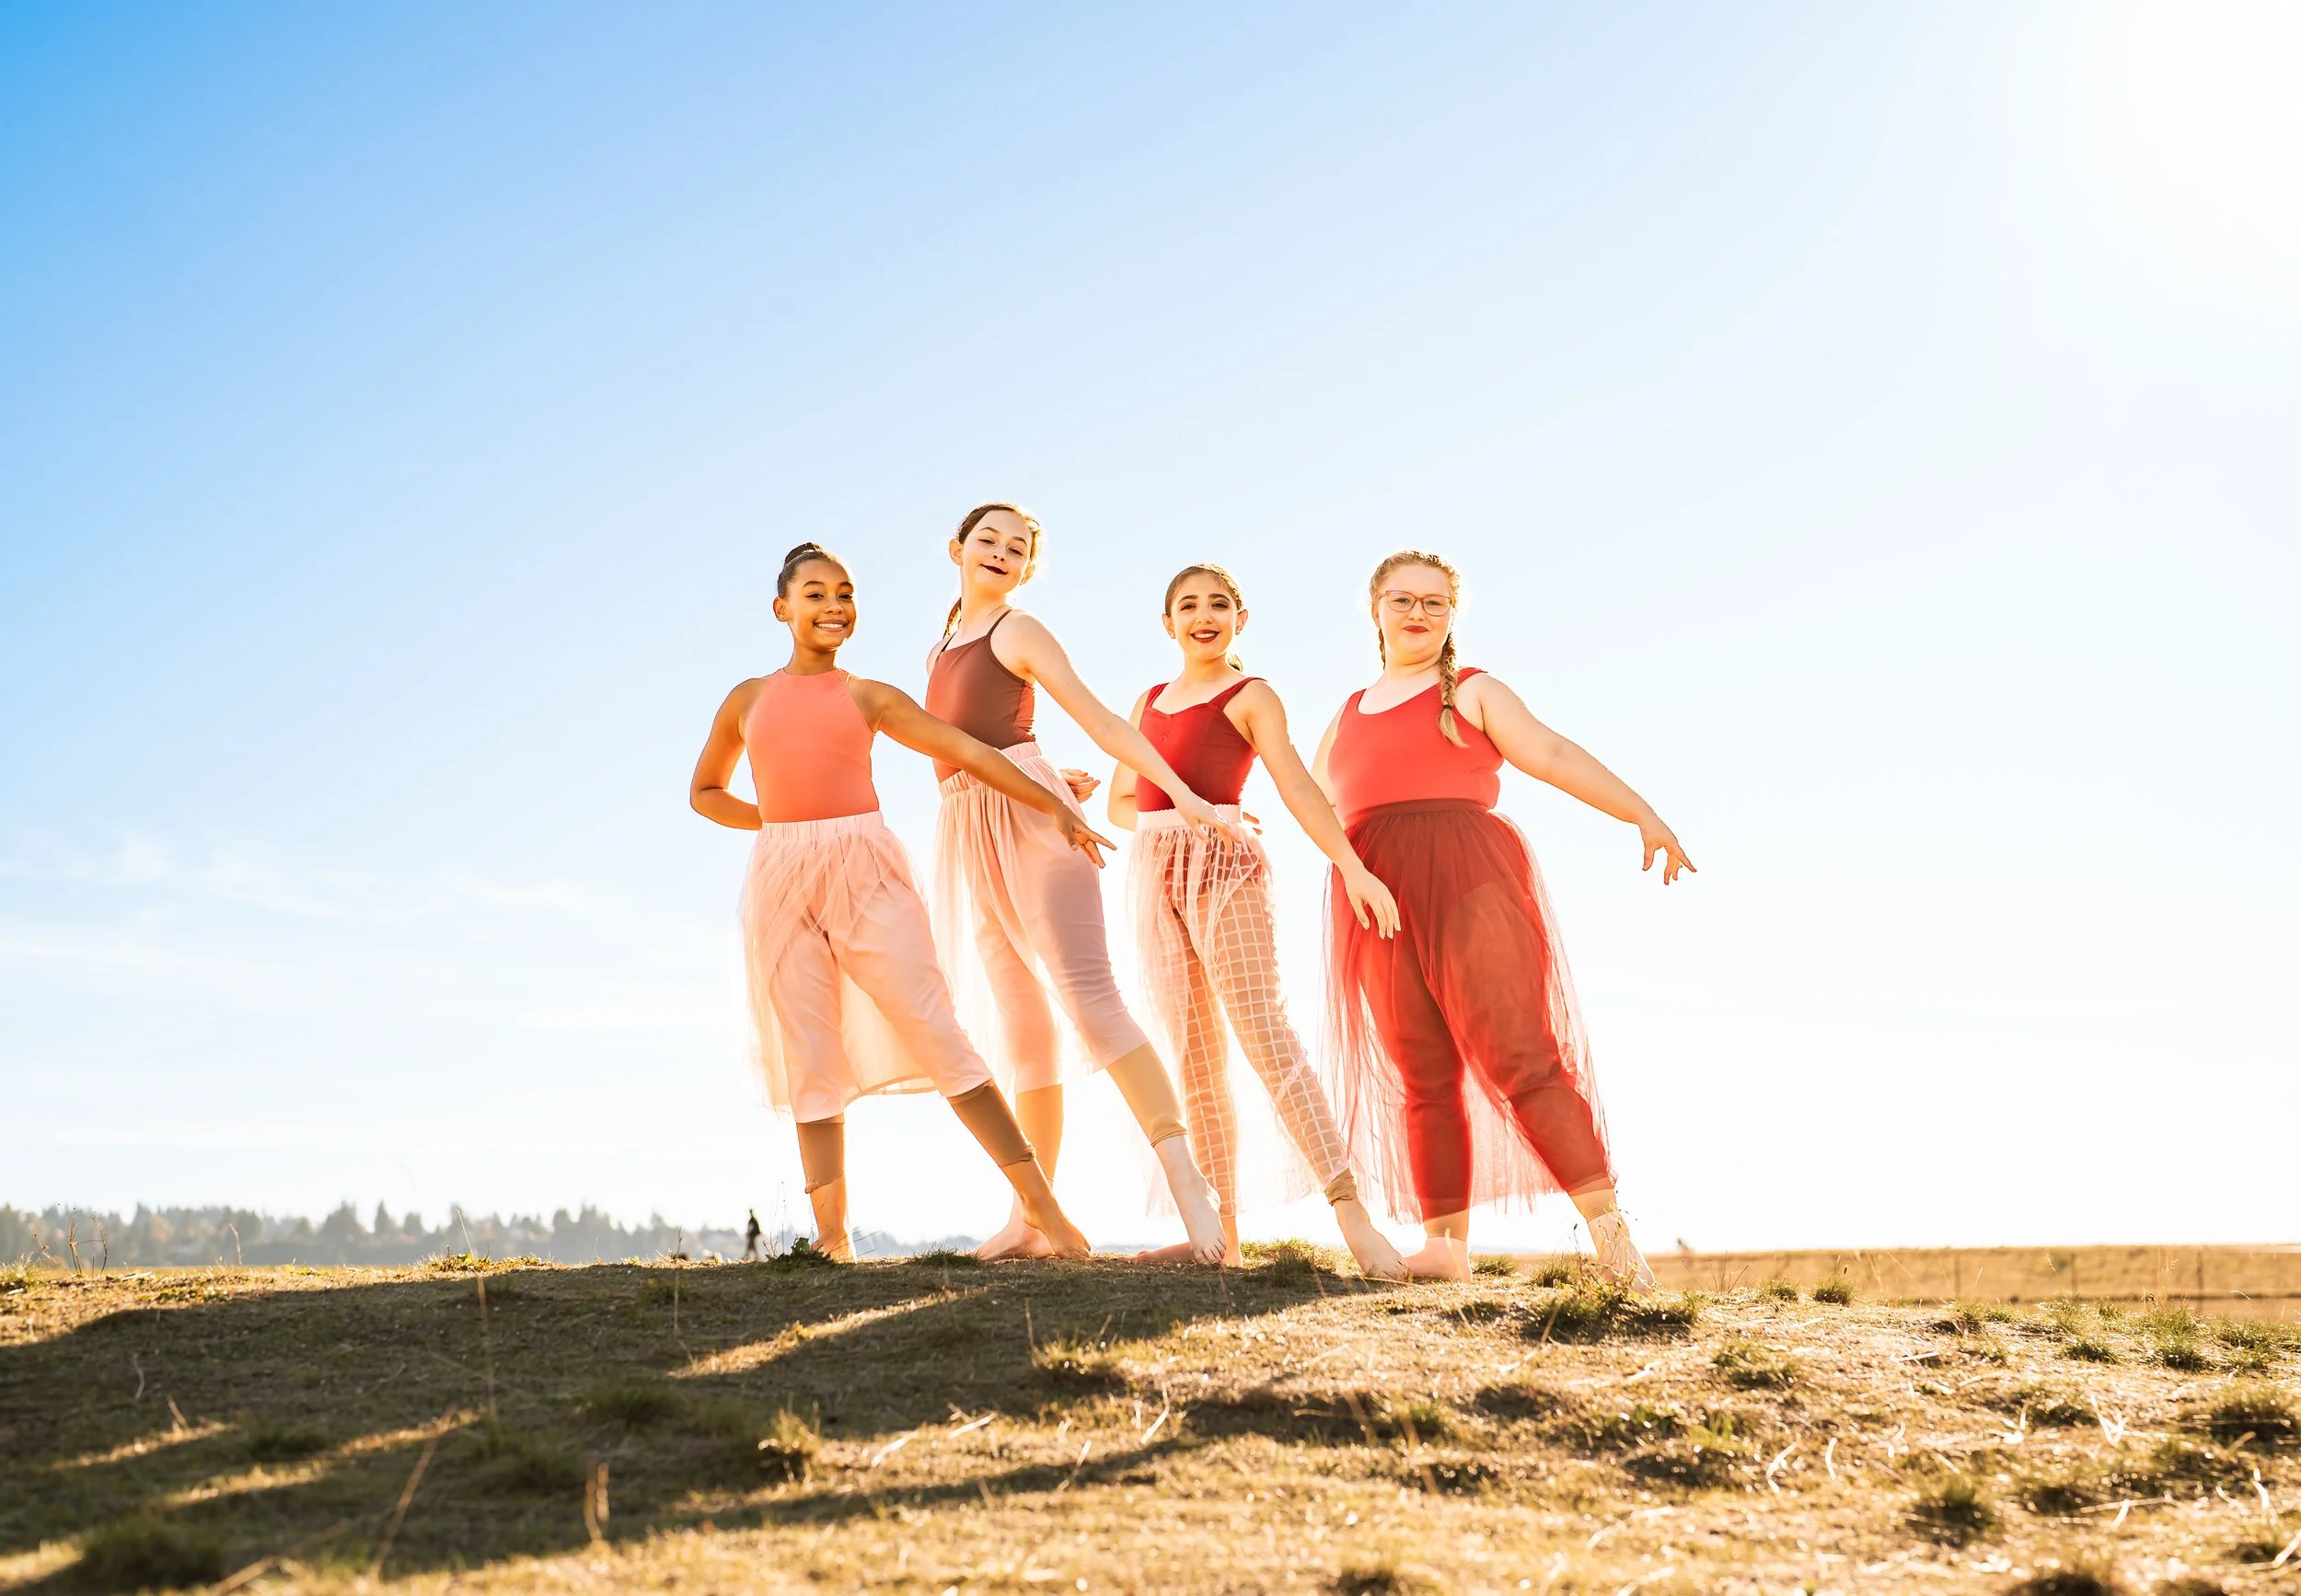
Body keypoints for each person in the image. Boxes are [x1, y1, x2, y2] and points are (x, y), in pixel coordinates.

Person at [689, 540, 1094, 1263]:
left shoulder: (869, 695)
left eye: (845, 593)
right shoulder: (746, 699)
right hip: (782, 876)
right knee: (811, 1054)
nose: (835, 605)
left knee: (938, 1029)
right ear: (782, 609)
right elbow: (705, 793)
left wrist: (1054, 803)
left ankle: (1042, 1208)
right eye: (816, 593)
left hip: (866, 867)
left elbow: (969, 751)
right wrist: (778, 820)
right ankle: (833, 1237)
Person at [1312, 549, 1694, 1284]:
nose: (1417, 613)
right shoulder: (1347, 713)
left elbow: (1548, 752)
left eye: (1433, 602)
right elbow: (1320, 806)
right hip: (1373, 894)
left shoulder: (1474, 691)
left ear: (1452, 614)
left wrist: (1640, 813)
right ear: (1375, 610)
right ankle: (1444, 1248)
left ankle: (1613, 1240)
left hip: (1466, 876)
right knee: (1418, 1069)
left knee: (1521, 1051)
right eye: (1402, 600)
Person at [927, 503, 1232, 1264]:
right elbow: (966, 740)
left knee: (1092, 1004)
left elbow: (1097, 718)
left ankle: (1196, 1196)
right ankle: (1033, 1216)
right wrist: (1027, 771)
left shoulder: (1017, 631)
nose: (1000, 553)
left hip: (1036, 827)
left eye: (1017, 547)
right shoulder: (942, 645)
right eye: (988, 540)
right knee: (1022, 1026)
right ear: (957, 549)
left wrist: (1178, 791)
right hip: (971, 828)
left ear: (1029, 567)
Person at [1106, 563, 1410, 1278]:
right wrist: (1179, 813)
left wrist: (1350, 865)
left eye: (1218, 605)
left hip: (1226, 868)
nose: (1203, 616)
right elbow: (1123, 802)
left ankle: (1352, 1216)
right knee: (1193, 1054)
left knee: (1264, 1035)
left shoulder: (1251, 695)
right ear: (1167, 623)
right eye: (1188, 605)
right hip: (1156, 873)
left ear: (1239, 620)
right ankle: (1223, 1236)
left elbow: (1296, 782)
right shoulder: (1147, 700)